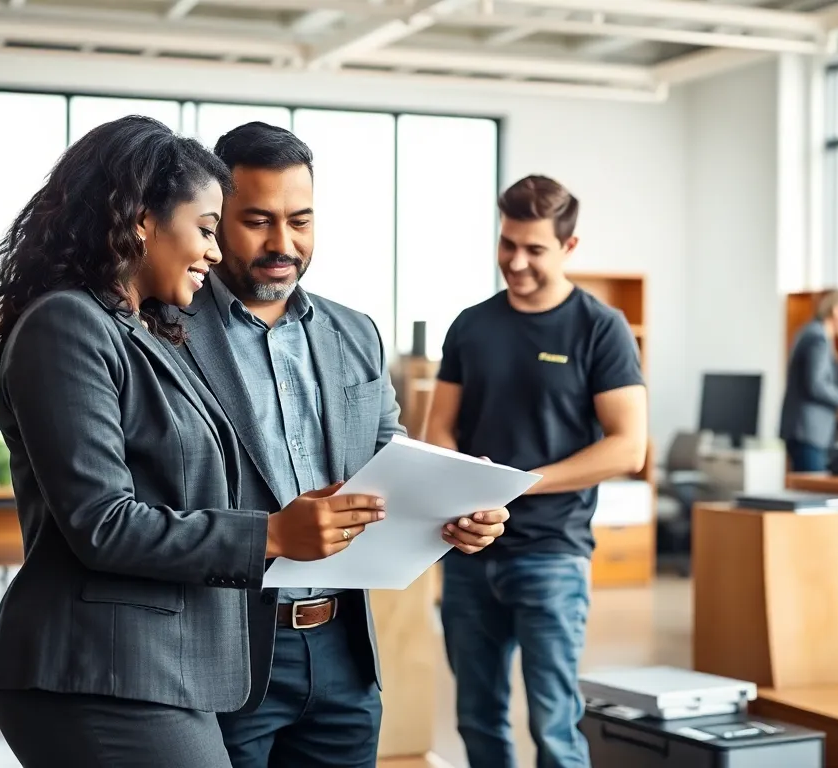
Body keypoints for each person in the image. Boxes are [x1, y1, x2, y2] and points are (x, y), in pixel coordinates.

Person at [0, 116, 361, 768]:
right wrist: (270, 534)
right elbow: (101, 523)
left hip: (159, 669)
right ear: (142, 221)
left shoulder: (147, 333)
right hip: (96, 671)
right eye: (207, 229)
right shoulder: (66, 325)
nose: (214, 251)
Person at [173, 121, 509, 768]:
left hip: (343, 651)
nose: (284, 243)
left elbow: (389, 465)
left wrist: (457, 509)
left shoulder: (354, 333)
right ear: (215, 222)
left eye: (300, 220)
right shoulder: (166, 330)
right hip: (222, 648)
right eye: (258, 220)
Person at [423, 174, 649, 768]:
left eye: (534, 249)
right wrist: (463, 483)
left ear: (570, 248)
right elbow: (438, 427)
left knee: (554, 724)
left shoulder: (601, 328)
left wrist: (518, 483)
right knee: (477, 717)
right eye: (507, 244)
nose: (516, 261)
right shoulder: (471, 324)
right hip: (470, 552)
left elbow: (629, 448)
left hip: (552, 553)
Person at [778, 289, 838, 472]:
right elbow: (816, 385)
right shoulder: (817, 338)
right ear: (837, 311)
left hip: (806, 431)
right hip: (808, 432)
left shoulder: (812, 333)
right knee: (814, 493)